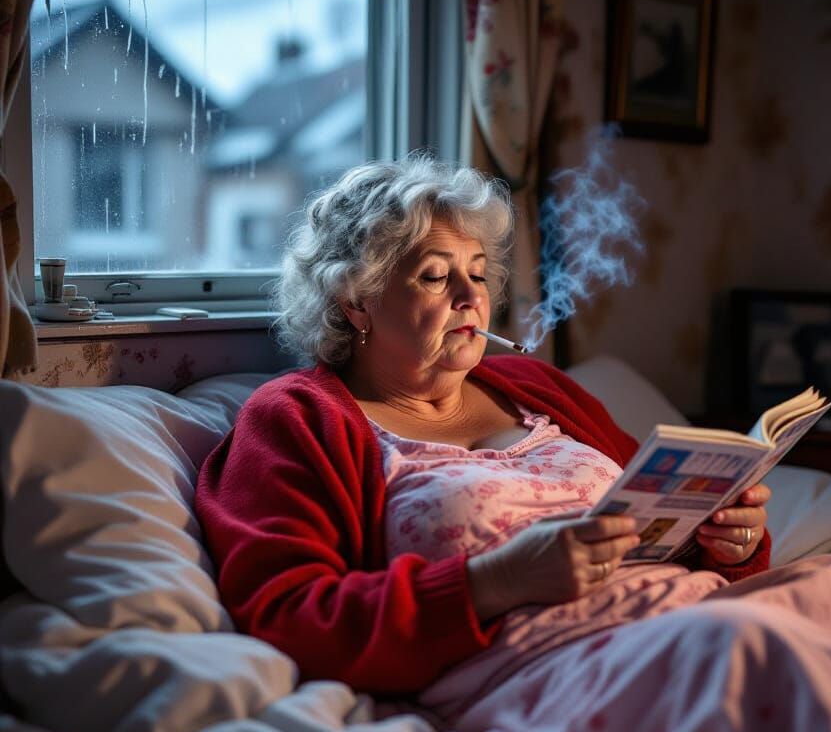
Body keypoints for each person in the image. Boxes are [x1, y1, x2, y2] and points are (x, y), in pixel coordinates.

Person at [195, 154, 771, 698]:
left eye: (477, 274)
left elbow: (669, 518)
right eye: (434, 276)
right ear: (357, 302)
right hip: (568, 672)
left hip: (700, 620)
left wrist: (732, 541)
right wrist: (497, 580)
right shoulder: (297, 418)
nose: (472, 297)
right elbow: (290, 615)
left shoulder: (538, 387)